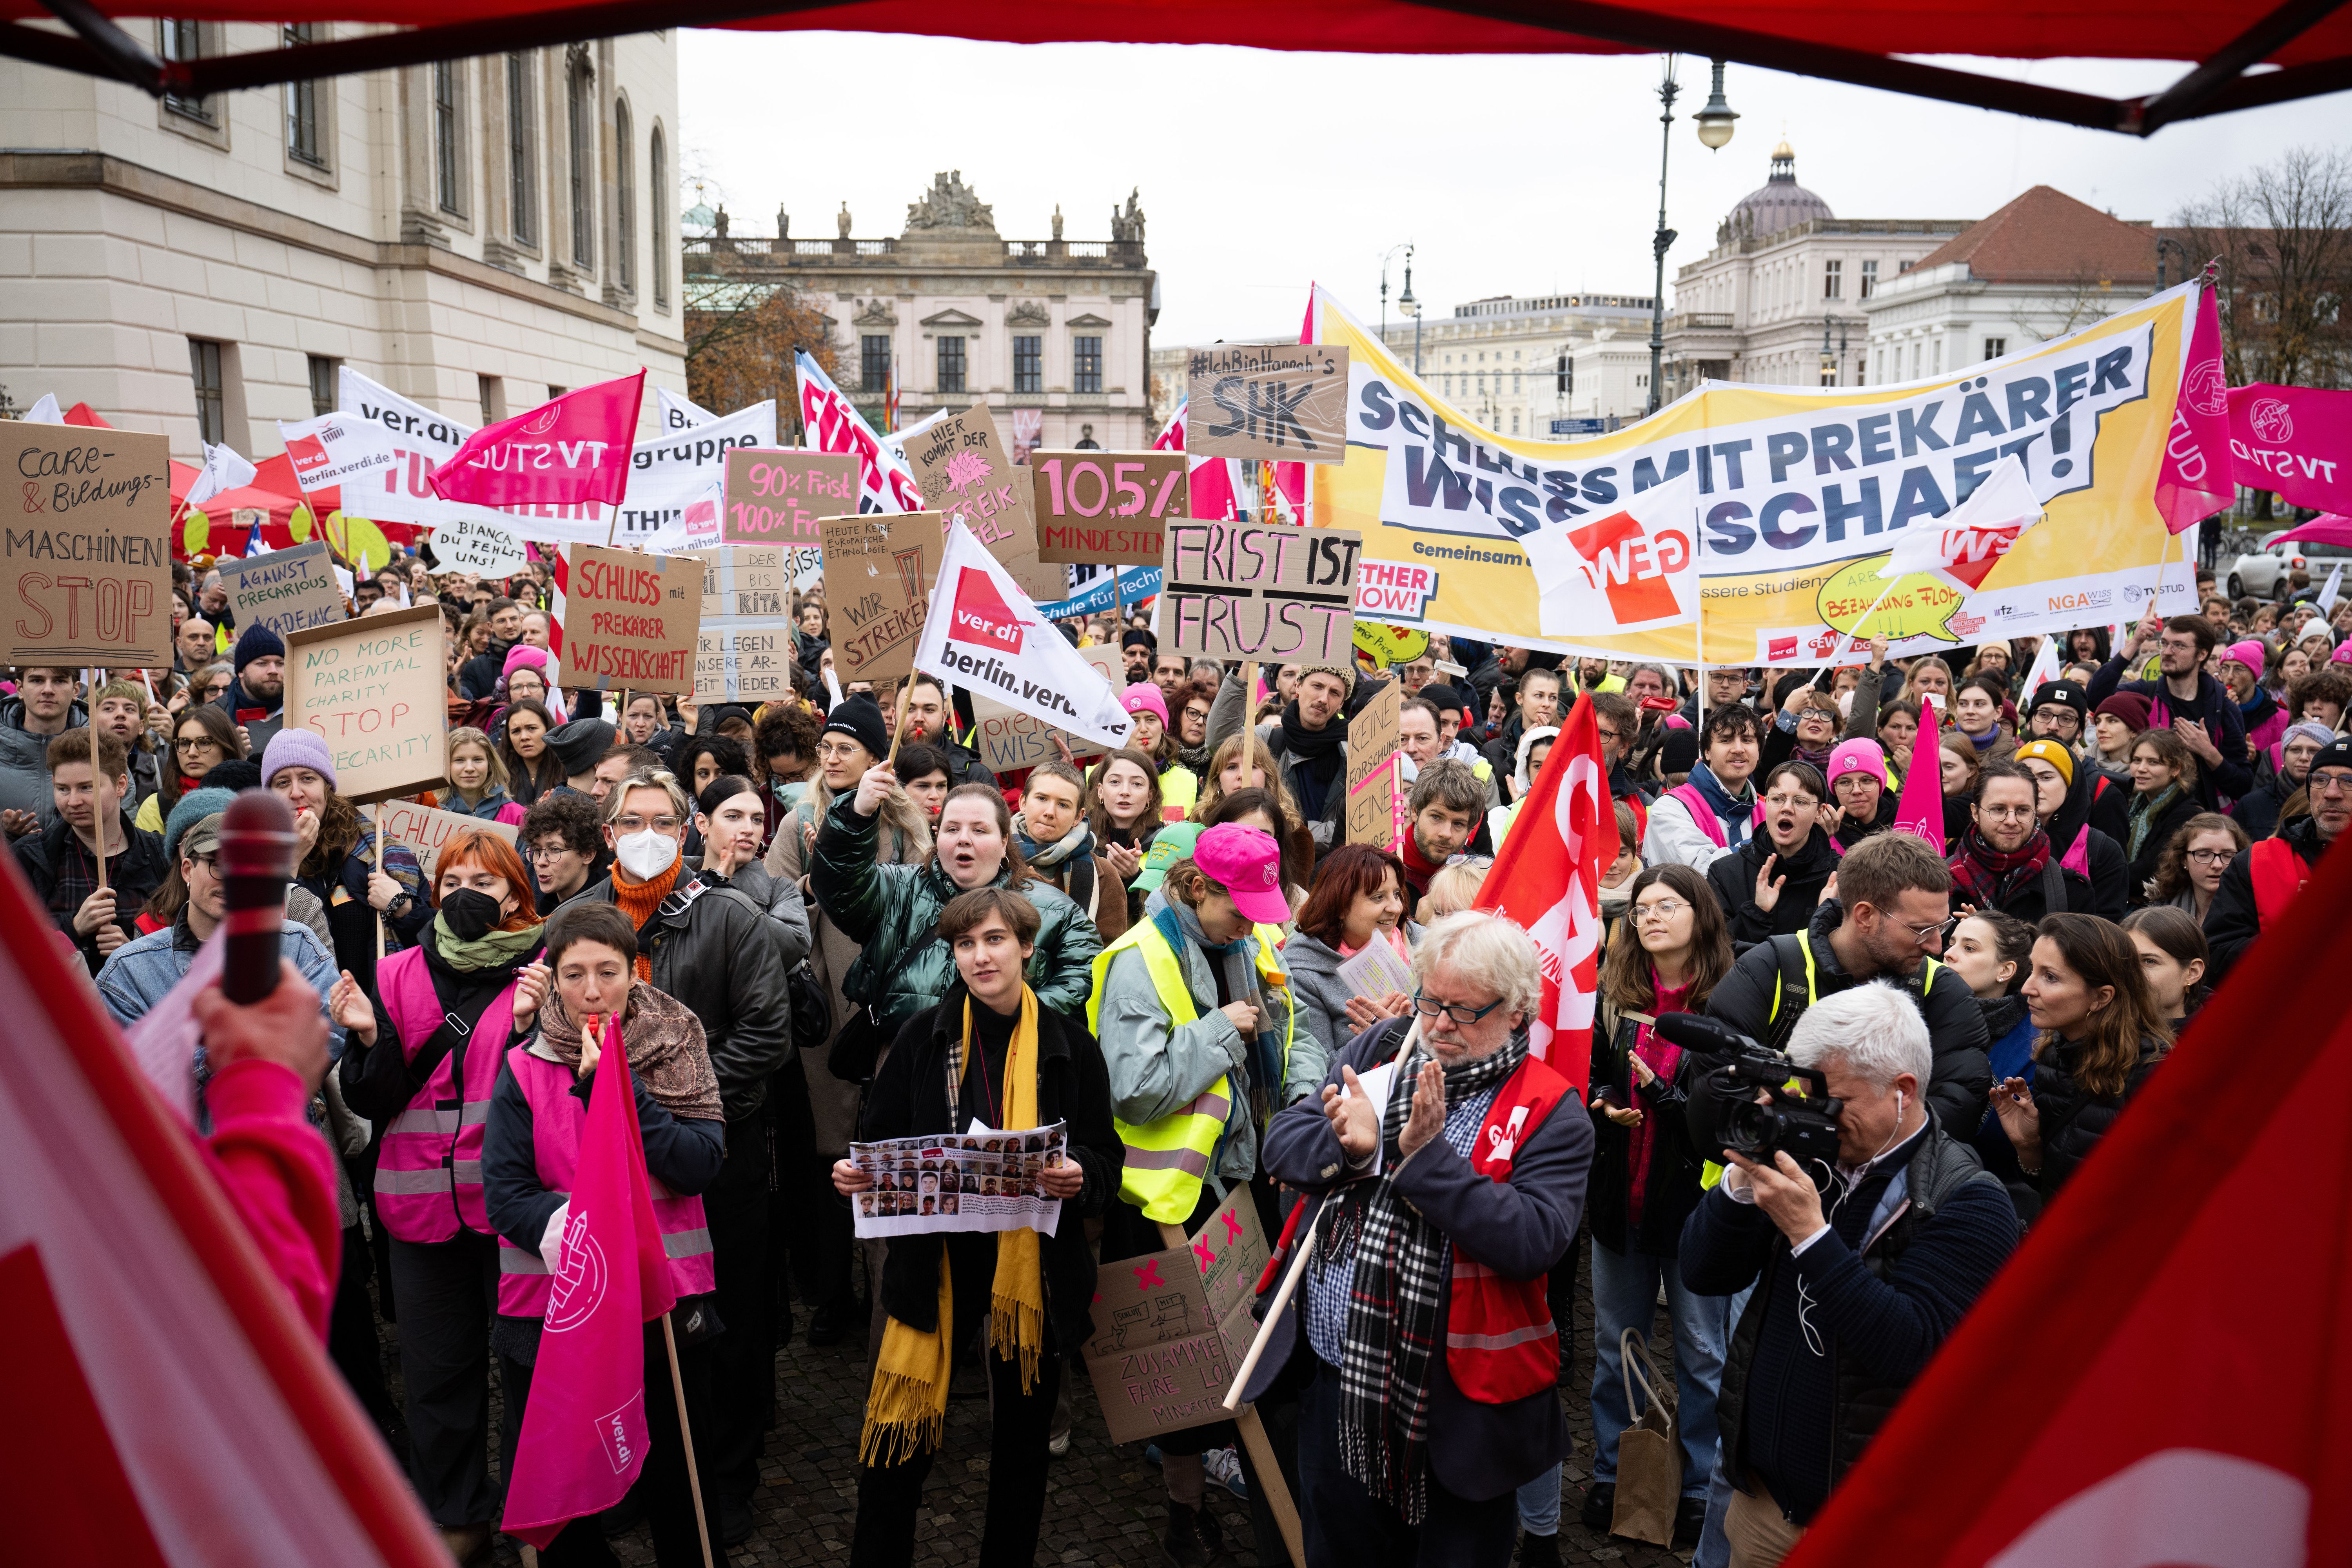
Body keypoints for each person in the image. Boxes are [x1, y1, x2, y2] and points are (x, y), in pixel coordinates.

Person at [1246, 911, 1592, 1568]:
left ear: (1519, 1010)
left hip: (1461, 1410)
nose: (1437, 1026)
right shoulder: (1386, 1048)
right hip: (1339, 1381)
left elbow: (1533, 1240)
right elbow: (1285, 1142)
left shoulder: (1552, 1107)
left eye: (1464, 1011)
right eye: (1431, 1000)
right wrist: (1356, 1152)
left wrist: (1421, 1161)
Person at [1679, 984, 2018, 1566]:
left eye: (1834, 1100)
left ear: (1903, 1092)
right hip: (1762, 1506)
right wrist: (1742, 1178)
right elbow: (1703, 1272)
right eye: (1806, 1094)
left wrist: (1811, 1235)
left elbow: (1911, 1349)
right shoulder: (1814, 1155)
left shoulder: (1968, 1201)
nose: (1817, 1116)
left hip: (1870, 1528)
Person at [833, 888, 1120, 1568]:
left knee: (1023, 1453)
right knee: (897, 1443)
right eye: (965, 944)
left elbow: (1107, 1154)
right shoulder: (922, 1037)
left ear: (1026, 947)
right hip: (935, 1264)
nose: (980, 956)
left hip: (1033, 1274)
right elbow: (880, 1137)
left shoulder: (1072, 1047)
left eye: (994, 940)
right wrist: (860, 1175)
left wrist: (1080, 1174)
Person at [576, 769, 792, 1542]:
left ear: (686, 829)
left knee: (721, 1320)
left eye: (661, 820)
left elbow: (768, 1034)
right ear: (605, 835)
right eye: (629, 820)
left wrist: (670, 1100)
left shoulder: (729, 918)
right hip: (604, 1163)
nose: (645, 832)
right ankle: (638, 1467)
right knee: (627, 1318)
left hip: (713, 1155)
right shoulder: (576, 920)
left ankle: (725, 1473)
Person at [482, 900, 731, 1568]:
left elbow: (699, 1165)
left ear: (634, 971)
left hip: (664, 1301)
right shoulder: (524, 1065)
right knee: (568, 1484)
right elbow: (504, 1195)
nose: (592, 991)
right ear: (552, 979)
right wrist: (574, 1231)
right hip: (557, 1306)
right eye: (573, 975)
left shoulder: (675, 1039)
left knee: (680, 1477)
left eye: (608, 972)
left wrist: (617, 1090)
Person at [329, 829, 548, 1565]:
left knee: (529, 1369)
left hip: (513, 1211)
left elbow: (553, 1101)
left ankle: (536, 1513)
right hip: (418, 1209)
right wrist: (363, 1044)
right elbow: (373, 1099)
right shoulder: (394, 972)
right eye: (452, 881)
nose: (464, 896)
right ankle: (456, 1510)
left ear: (516, 896)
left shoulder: (542, 973)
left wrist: (528, 1030)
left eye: (483, 884)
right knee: (435, 1374)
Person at [1088, 825, 1299, 1565]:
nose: (1253, 923)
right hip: (1166, 1201)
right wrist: (1221, 1030)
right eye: (1241, 908)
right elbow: (1138, 1090)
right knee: (1179, 1376)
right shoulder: (1137, 963)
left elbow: (1286, 1035)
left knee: (1248, 1358)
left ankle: (1246, 1480)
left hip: (1238, 1183)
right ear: (1197, 888)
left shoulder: (1245, 942)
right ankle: (1186, 1512)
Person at [762, 695, 930, 1348]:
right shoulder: (799, 819)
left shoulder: (909, 821)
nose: (831, 756)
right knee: (831, 1146)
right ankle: (835, 1295)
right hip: (828, 999)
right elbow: (774, 903)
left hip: (893, 998)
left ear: (873, 758)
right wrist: (813, 882)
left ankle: (893, 1286)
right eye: (826, 746)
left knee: (887, 1135)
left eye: (846, 747)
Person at [1582, 865, 1735, 1552]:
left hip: (1697, 1211)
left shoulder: (1730, 1003)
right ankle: (1614, 1474)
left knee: (1704, 1353)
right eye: (1640, 908)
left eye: (1665, 906)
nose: (1649, 918)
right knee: (1618, 1347)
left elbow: (1726, 1119)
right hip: (1621, 1200)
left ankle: (1701, 1488)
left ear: (1699, 915)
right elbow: (1586, 1071)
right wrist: (1601, 1101)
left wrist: (1666, 1101)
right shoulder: (1613, 998)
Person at [1706, 832, 1992, 1132]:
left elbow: (1959, 1107)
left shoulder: (1942, 990)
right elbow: (1713, 1095)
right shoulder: (1769, 968)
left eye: (1942, 927)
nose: (1937, 947)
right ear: (1865, 916)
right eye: (1921, 930)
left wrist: (1838, 1140)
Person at [1991, 914, 2171, 1218]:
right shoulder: (2054, 1054)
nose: (2026, 988)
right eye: (2033, 970)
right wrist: (2029, 1146)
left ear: (2101, 997)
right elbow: (2053, 1188)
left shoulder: (2153, 1075)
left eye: (2050, 977)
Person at [15, 727, 169, 975]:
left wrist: (136, 951)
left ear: (121, 785)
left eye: (87, 787)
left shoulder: (161, 854)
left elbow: (187, 946)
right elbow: (13, 945)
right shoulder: (30, 857)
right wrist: (73, 927)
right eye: (63, 789)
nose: (73, 801)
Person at [2203, 736, 2352, 982]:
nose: (2331, 793)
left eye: (2348, 781)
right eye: (2320, 780)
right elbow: (2216, 957)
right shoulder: (2256, 861)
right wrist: (2292, 933)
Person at [2087, 610, 2251, 806]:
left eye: (2179, 645)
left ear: (2202, 654)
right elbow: (2096, 698)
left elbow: (2243, 784)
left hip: (2204, 822)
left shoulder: (2223, 706)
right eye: (2164, 644)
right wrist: (2135, 642)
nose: (2167, 651)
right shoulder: (2146, 693)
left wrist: (2209, 753)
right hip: (2149, 816)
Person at [1283, 843, 1414, 1073]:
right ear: (1340, 906)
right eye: (1377, 898)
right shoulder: (1304, 972)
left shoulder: (1423, 943)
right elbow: (1317, 1068)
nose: (1395, 908)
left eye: (1396, 894)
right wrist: (1374, 1040)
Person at [1208, 661, 1353, 849]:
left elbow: (1355, 826)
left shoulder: (1353, 752)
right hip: (1267, 863)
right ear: (1298, 687)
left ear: (1342, 703)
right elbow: (1220, 741)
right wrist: (1249, 658)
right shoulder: (1268, 740)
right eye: (1317, 686)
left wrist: (1289, 830)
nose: (1324, 699)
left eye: (1335, 693)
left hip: (1335, 870)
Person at [1939, 911, 2038, 1185]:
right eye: (1952, 943)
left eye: (1969, 948)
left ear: (2005, 971)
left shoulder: (2033, 1046)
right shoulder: (1921, 1013)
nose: (1949, 954)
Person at [1949, 763, 2097, 924]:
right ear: (1976, 813)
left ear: (2036, 811)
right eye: (1998, 809)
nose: (2011, 821)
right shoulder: (1939, 882)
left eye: (2023, 810)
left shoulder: (2072, 891)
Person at [1706, 762, 1837, 943]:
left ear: (1820, 811)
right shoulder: (1725, 873)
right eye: (1777, 799)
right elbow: (1715, 951)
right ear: (1766, 803)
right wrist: (1757, 914)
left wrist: (1828, 919)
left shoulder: (1839, 875)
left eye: (1800, 802)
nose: (1787, 808)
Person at [1013, 758, 1129, 944]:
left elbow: (1108, 951)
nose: (1050, 812)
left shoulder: (1104, 875)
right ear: (1024, 803)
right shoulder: (997, 859)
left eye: (1063, 805)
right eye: (1042, 799)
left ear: (1078, 817)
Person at [2010, 740, 2130, 918]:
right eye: (2026, 777)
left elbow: (2108, 925)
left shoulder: (2103, 850)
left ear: (2070, 784)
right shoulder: (2002, 837)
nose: (2035, 787)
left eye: (2046, 778)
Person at [1644, 706, 1763, 869]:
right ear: (1707, 752)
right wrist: (1767, 845)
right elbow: (1703, 871)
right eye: (1726, 740)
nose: (1738, 749)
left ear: (1758, 752)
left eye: (1747, 740)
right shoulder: (1670, 808)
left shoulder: (1768, 811)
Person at [133, 702, 244, 835]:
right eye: (184, 743)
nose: (192, 753)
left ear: (226, 749)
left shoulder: (250, 799)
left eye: (204, 743)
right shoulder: (156, 806)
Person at [0, 664, 85, 834]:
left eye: (59, 680)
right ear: (20, 688)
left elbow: (120, 825)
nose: (48, 690)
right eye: (37, 680)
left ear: (76, 690)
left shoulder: (101, 750)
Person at [2122, 729, 2202, 904]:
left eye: (2153, 762)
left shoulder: (2187, 814)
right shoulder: (2136, 805)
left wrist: (2106, 879)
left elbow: (2151, 870)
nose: (2141, 769)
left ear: (2175, 769)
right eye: (2137, 760)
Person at [1400, 759, 1486, 918]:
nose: (1446, 834)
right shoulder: (1384, 870)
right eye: (1436, 817)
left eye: (1458, 824)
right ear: (1415, 812)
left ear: (1470, 830)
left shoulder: (1480, 880)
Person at [1085, 746, 1162, 921]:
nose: (1125, 791)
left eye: (1137, 784)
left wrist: (1134, 878)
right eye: (1115, 782)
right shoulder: (1079, 839)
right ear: (1100, 791)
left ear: (1150, 795)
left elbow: (1166, 917)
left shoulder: (1166, 844)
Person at [898, 673, 1000, 791]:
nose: (919, 718)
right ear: (893, 714)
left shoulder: (975, 776)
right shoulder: (876, 766)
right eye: (909, 709)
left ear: (943, 717)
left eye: (929, 710)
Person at [2233, 718, 2332, 841]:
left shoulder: (2337, 804)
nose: (2304, 757)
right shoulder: (2251, 805)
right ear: (2284, 756)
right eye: (2296, 750)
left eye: (2314, 751)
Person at [2119, 904, 2209, 1031]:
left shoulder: (2224, 1038)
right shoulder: (2096, 1035)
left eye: (2149, 962)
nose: (2131, 974)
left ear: (2193, 973)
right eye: (2125, 962)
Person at [2149, 811, 2247, 924]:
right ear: (2183, 859)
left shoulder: (2254, 913)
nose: (2217, 865)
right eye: (2204, 855)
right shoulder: (2159, 913)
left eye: (2228, 856)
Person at [521, 791, 610, 915]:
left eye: (554, 850)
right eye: (537, 851)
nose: (541, 862)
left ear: (588, 854)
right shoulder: (543, 908)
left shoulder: (601, 915)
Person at [216, 624, 289, 753]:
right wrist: (225, 752)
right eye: (262, 663)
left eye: (280, 663)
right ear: (241, 672)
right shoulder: (217, 714)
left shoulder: (307, 708)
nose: (273, 671)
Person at [1824, 738, 1893, 849]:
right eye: (1845, 782)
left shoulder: (1905, 825)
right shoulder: (1817, 830)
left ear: (1881, 784)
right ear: (1834, 789)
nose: (1856, 791)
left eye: (1866, 781)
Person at [441, 726, 519, 821]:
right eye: (459, 760)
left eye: (478, 760)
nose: (469, 768)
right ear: (446, 765)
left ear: (490, 765)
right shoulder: (432, 811)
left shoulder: (516, 816)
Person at [497, 698, 565, 807]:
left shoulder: (568, 767)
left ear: (548, 730)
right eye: (516, 731)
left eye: (532, 728)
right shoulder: (498, 771)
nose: (524, 737)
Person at [891, 741, 953, 830]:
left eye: (941, 786)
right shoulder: (882, 830)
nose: (935, 796)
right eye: (924, 786)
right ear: (900, 787)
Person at [2022, 679, 2091, 751]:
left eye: (2066, 719)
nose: (2053, 727)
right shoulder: (2012, 761)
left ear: (2079, 731)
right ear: (2029, 723)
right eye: (2044, 715)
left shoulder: (2092, 763)